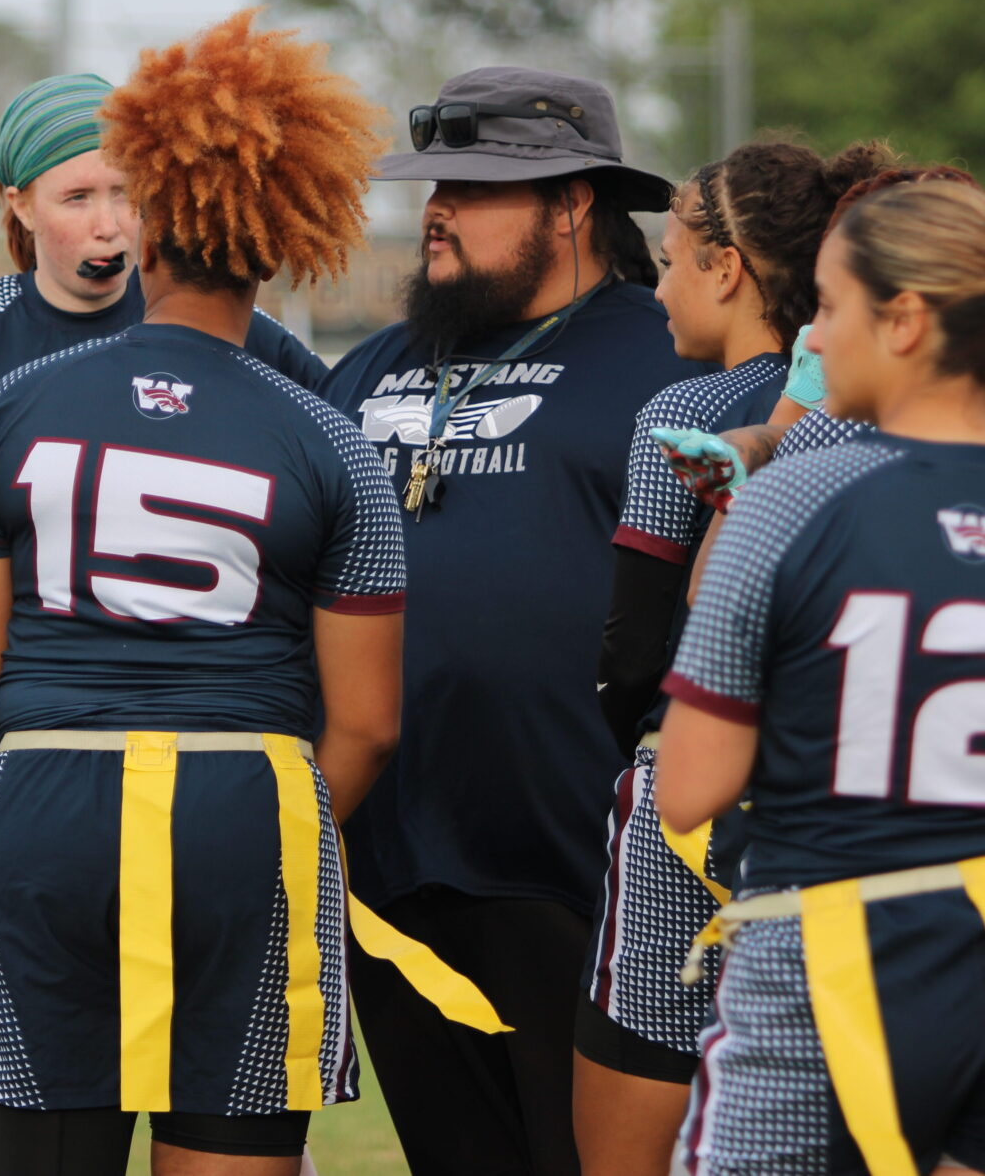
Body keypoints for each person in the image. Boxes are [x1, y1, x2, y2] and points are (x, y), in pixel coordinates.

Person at [0, 9, 465, 1176]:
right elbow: (368, 724)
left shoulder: (8, 407)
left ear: (151, 223)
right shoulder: (322, 435)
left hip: (42, 799)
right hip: (247, 803)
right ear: (275, 239)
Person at [651, 177, 985, 1174]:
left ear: (900, 320)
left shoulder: (793, 499)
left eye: (825, 305)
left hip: (824, 971)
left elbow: (686, 791)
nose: (809, 338)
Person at [0, 70, 329, 907]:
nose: (110, 222)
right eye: (78, 194)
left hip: (209, 744)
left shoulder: (230, 325)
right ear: (18, 203)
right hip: (14, 743)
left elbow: (348, 491)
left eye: (128, 191)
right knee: (14, 1012)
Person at [316, 67, 704, 1176]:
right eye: (432, 182)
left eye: (474, 187)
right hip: (391, 865)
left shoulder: (661, 358)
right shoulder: (372, 367)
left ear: (572, 203)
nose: (435, 208)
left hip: (587, 865)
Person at [578, 139, 892, 1176]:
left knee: (661, 1082)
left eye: (668, 259)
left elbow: (640, 648)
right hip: (891, 834)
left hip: (708, 804)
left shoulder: (692, 416)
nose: (657, 284)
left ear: (726, 267)